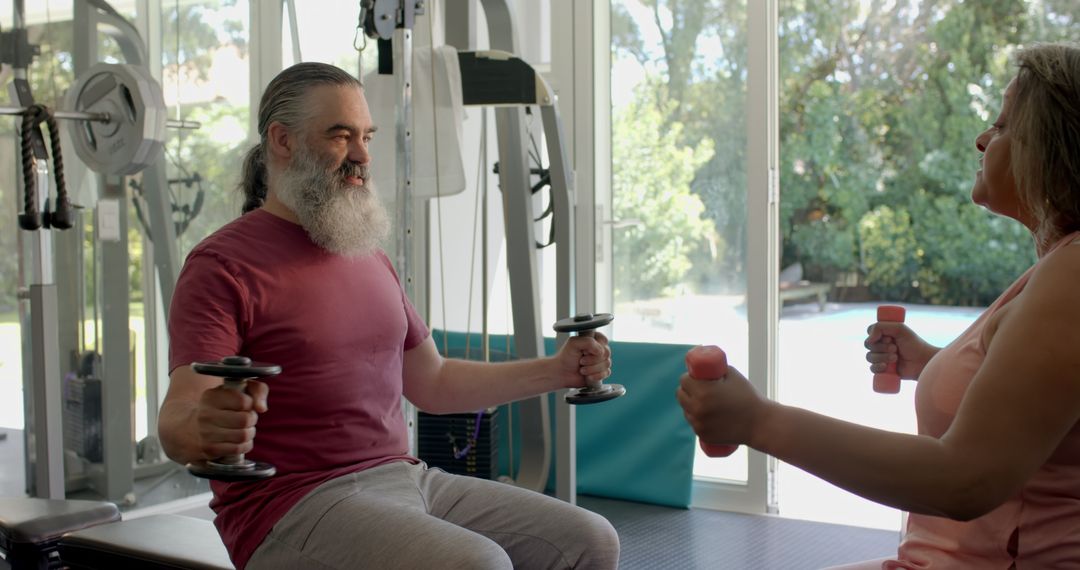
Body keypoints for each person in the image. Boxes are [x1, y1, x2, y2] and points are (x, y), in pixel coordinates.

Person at [158, 61, 620, 570]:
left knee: (588, 538)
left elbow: (434, 382)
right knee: (476, 565)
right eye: (340, 136)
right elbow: (178, 420)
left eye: (366, 137)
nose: (361, 155)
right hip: (291, 508)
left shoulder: (365, 252)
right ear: (282, 140)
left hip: (406, 477)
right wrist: (207, 426)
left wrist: (558, 370)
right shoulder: (221, 265)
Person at [676, 41, 1080, 569]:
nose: (982, 139)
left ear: (1053, 147)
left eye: (1003, 126)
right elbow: (1036, 411)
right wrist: (934, 363)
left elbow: (967, 480)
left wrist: (755, 422)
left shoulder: (1074, 274)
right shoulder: (1059, 267)